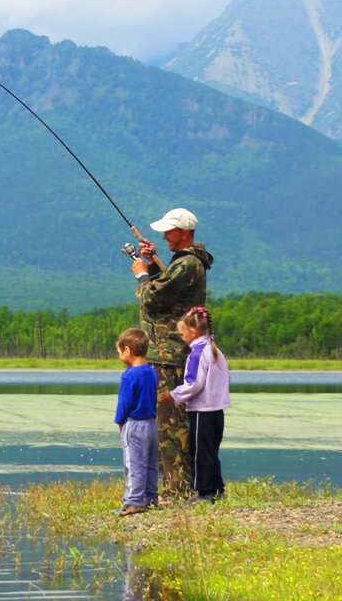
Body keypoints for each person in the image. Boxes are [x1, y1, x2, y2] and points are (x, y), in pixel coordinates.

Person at [129, 207, 214, 499]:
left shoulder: (188, 263)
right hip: (172, 354)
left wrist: (141, 275)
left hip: (168, 355)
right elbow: (169, 287)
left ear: (185, 232)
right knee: (174, 424)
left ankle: (176, 492)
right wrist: (153, 262)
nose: (165, 236)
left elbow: (154, 298)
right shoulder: (186, 263)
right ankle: (181, 489)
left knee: (170, 427)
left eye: (169, 231)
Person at [166, 306, 230, 503]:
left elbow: (193, 384)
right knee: (211, 451)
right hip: (217, 410)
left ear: (192, 332)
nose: (181, 336)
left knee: (199, 452)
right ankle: (217, 488)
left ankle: (202, 492)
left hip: (202, 411)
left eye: (182, 332)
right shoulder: (215, 351)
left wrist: (174, 395)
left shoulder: (197, 353)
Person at [113, 328, 159, 516]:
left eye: (118, 351)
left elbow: (124, 403)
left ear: (127, 350)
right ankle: (150, 497)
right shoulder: (151, 371)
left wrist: (119, 422)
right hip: (152, 425)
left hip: (135, 424)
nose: (118, 355)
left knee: (134, 464)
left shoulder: (129, 375)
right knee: (150, 463)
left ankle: (133, 502)